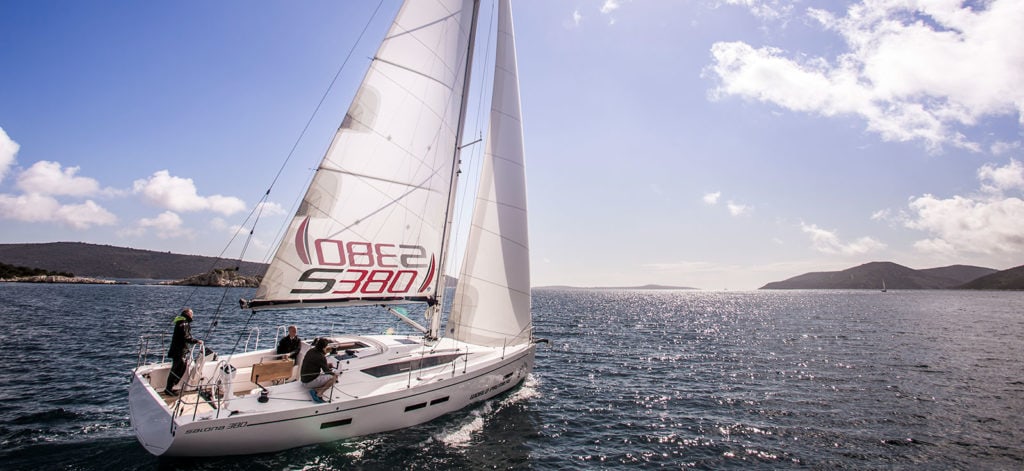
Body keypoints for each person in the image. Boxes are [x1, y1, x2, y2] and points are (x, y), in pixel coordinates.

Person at [164, 308, 201, 396]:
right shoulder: (183, 323)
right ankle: (169, 388)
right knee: (177, 368)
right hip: (179, 351)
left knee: (182, 367)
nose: (193, 316)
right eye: (192, 314)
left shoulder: (182, 321)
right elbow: (185, 337)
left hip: (179, 350)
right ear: (188, 314)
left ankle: (171, 387)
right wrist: (196, 341)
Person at [300, 338, 338, 403]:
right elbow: (327, 372)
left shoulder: (311, 351)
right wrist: (335, 374)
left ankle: (316, 390)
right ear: (324, 347)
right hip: (309, 382)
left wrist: (326, 365)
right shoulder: (321, 357)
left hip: (303, 379)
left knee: (326, 375)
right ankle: (318, 393)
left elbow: (315, 363)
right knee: (333, 378)